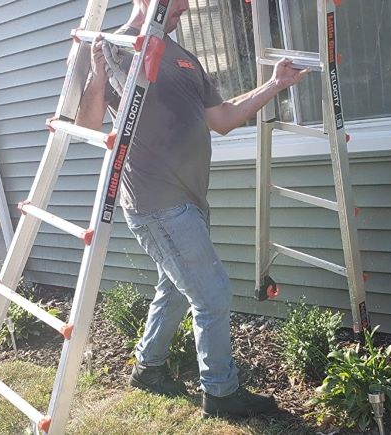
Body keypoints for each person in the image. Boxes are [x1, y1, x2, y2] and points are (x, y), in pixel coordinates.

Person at [75, 0, 310, 418]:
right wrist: (96, 77)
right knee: (213, 292)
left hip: (191, 198)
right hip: (155, 201)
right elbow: (89, 125)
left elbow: (221, 118)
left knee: (176, 289)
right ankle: (221, 393)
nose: (184, 9)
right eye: (178, 4)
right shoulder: (108, 47)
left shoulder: (183, 58)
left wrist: (276, 84)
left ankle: (148, 369)